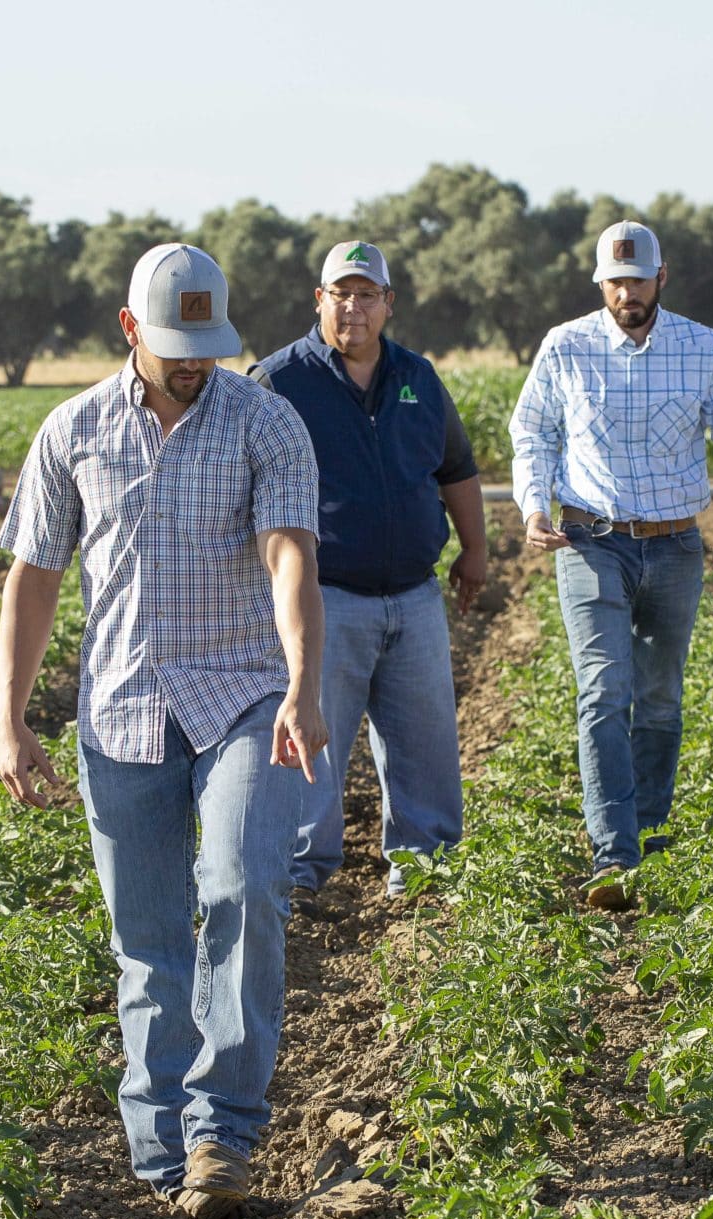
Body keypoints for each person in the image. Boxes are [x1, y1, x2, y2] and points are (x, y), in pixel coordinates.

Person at [0, 242, 327, 1219]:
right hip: (122, 711)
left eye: (206, 346)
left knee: (239, 886)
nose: (193, 364)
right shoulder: (74, 431)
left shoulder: (265, 422)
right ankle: (158, 1158)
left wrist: (304, 684)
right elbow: (35, 578)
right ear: (131, 330)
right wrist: (9, 722)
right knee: (146, 947)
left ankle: (221, 1132)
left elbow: (288, 560)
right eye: (175, 345)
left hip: (241, 703)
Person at [510, 221, 713, 908]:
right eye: (615, 281)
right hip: (590, 541)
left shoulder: (702, 347)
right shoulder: (566, 347)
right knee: (603, 691)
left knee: (659, 698)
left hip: (677, 545)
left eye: (639, 279)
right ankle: (614, 854)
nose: (628, 292)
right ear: (600, 283)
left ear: (662, 277)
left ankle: (650, 836)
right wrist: (534, 506)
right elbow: (531, 431)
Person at [253, 240, 487, 903]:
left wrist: (476, 549)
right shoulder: (278, 382)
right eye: (341, 293)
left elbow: (456, 467)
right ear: (318, 300)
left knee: (425, 736)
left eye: (367, 294)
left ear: (389, 303)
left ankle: (425, 861)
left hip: (414, 596)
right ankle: (300, 871)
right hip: (325, 597)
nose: (353, 307)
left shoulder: (416, 376)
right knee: (309, 735)